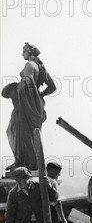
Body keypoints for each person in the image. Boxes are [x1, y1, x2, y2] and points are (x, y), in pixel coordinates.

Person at [2, 43, 56, 171]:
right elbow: (53, 87)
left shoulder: (29, 65)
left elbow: (26, 86)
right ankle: (25, 162)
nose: (22, 54)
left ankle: (23, 162)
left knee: (15, 131)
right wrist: (40, 95)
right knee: (28, 134)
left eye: (24, 52)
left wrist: (14, 88)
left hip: (25, 106)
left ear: (29, 52)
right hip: (35, 105)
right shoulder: (41, 68)